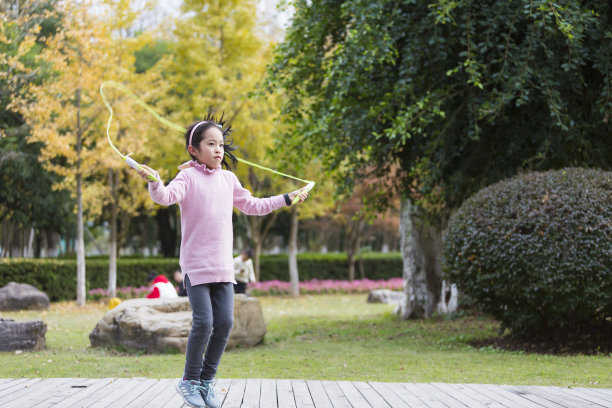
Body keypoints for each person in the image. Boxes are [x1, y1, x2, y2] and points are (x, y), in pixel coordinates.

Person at [135, 114, 308, 408]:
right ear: (194, 149)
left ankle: (206, 381)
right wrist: (155, 181)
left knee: (225, 323)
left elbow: (253, 205)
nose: (218, 150)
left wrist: (286, 198)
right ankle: (188, 381)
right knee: (204, 322)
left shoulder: (229, 179)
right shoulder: (187, 176)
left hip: (223, 267)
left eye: (221, 145)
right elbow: (165, 196)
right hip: (195, 266)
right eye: (211, 144)